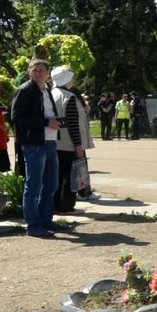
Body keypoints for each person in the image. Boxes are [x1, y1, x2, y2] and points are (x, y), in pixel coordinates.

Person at [10, 52, 62, 237]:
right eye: (35, 70)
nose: (38, 73)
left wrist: (54, 122)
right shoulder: (25, 90)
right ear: (29, 72)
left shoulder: (46, 89)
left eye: (42, 70)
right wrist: (46, 122)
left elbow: (46, 112)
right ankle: (32, 225)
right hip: (34, 143)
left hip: (50, 141)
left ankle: (45, 220)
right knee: (34, 185)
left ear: (48, 73)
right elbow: (17, 117)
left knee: (51, 183)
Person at [51, 65, 93, 214]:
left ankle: (55, 205)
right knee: (70, 176)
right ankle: (67, 205)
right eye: (71, 77)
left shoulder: (51, 94)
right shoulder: (69, 97)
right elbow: (73, 124)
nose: (73, 80)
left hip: (54, 141)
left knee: (56, 175)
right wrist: (78, 145)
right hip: (68, 143)